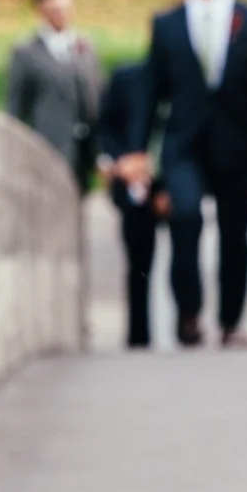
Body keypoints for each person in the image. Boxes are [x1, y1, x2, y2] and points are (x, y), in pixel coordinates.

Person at [127, 0, 247, 348]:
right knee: (185, 219)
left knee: (235, 235)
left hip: (237, 144)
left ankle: (231, 321)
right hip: (184, 144)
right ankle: (189, 313)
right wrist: (137, 149)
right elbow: (150, 90)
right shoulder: (165, 24)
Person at [5, 0, 101, 192]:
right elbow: (16, 105)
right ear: (41, 10)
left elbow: (96, 94)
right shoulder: (26, 52)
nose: (62, 14)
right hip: (48, 146)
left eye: (66, 8)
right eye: (56, 9)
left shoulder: (84, 46)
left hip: (83, 150)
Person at [97, 61, 161, 349]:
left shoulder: (184, 77)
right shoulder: (126, 77)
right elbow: (106, 126)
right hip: (132, 182)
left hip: (170, 179)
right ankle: (139, 333)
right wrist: (121, 162)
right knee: (138, 260)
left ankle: (188, 324)